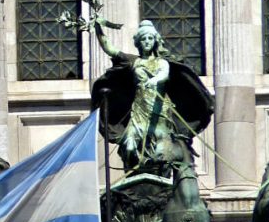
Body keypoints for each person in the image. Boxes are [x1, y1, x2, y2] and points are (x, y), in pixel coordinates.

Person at [91, 18, 212, 177]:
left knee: (162, 150)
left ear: (155, 41)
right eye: (143, 39)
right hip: (139, 112)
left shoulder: (162, 62)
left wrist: (154, 80)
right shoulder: (133, 62)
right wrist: (97, 28)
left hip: (159, 112)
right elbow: (109, 48)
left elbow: (164, 75)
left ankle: (163, 175)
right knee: (129, 146)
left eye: (150, 38)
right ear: (138, 43)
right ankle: (135, 173)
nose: (147, 41)